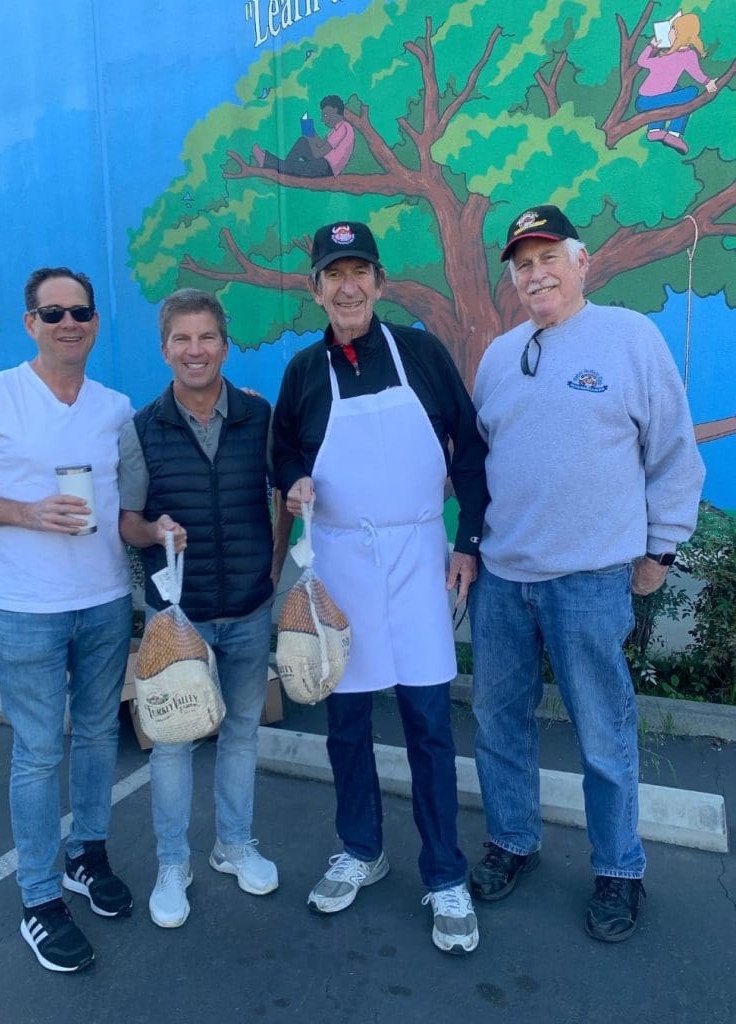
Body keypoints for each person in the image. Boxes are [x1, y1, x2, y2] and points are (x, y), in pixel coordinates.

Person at [467, 204, 705, 942]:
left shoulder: (630, 340)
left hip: (591, 580)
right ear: (511, 279)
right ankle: (511, 840)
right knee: (498, 723)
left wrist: (659, 550)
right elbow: (481, 464)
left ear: (580, 262)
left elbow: (671, 453)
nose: (534, 274)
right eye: (521, 264)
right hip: (504, 579)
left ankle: (618, 868)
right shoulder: (499, 357)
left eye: (547, 259)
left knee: (603, 733)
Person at [272, 221, 488, 955]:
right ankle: (361, 849)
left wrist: (468, 542)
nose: (347, 285)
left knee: (429, 724)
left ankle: (445, 874)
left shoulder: (421, 353)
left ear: (379, 280)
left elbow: (469, 450)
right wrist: (293, 481)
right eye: (333, 274)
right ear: (316, 289)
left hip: (418, 559)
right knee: (346, 725)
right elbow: (282, 457)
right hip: (340, 567)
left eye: (358, 270)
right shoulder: (303, 372)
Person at [0, 268, 135, 973]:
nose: (68, 322)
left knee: (102, 735)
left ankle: (87, 856)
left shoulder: (113, 407)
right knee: (39, 754)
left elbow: (127, 505)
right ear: (30, 323)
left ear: (95, 322)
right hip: (28, 608)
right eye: (53, 312)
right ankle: (40, 899)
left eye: (80, 311)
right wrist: (25, 513)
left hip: (105, 600)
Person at [118, 288, 279, 930]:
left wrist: (272, 565)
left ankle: (234, 845)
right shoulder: (140, 427)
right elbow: (127, 522)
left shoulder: (258, 417)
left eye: (206, 337)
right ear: (165, 350)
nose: (195, 350)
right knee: (172, 746)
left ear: (224, 343)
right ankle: (171, 864)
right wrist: (155, 530)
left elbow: (285, 495)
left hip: (247, 609)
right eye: (182, 340)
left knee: (240, 734)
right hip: (173, 622)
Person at [635, 12, 717, 155]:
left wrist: (651, 46)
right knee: (691, 92)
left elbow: (642, 61)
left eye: (672, 28)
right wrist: (707, 82)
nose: (669, 31)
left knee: (678, 89)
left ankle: (655, 130)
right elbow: (696, 73)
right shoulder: (682, 55)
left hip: (645, 101)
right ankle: (673, 133)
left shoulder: (671, 55)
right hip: (647, 101)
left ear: (679, 33)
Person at [252, 95, 355, 178]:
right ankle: (286, 168)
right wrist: (310, 129)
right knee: (303, 142)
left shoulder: (343, 127)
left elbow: (318, 153)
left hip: (326, 167)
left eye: (326, 115)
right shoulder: (335, 130)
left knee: (298, 166)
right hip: (322, 163)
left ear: (335, 110)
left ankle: (266, 159)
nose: (323, 120)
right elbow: (320, 144)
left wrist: (309, 136)